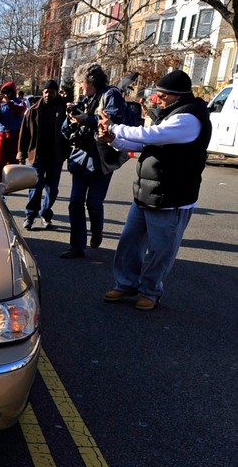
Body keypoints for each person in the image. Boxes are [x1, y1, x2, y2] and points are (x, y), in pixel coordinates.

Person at [98, 70, 211, 310]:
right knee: (129, 243)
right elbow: (144, 144)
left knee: (160, 250)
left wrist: (116, 127)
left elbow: (151, 135)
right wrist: (112, 139)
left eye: (161, 95)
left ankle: (150, 291)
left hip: (172, 197)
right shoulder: (172, 114)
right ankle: (125, 284)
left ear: (176, 96)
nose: (156, 100)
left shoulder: (189, 118)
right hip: (146, 193)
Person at [60, 63, 129, 259]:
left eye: (82, 83)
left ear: (91, 81)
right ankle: (77, 247)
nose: (80, 87)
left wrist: (86, 119)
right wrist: (70, 118)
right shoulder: (84, 99)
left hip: (102, 159)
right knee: (75, 203)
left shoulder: (111, 95)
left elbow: (112, 121)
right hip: (80, 158)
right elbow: (66, 132)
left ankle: (97, 231)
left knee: (94, 203)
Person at [17, 80, 70, 230]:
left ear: (56, 93)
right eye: (46, 92)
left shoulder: (63, 109)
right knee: (36, 185)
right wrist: (21, 153)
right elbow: (24, 132)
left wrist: (67, 152)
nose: (48, 95)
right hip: (37, 155)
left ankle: (46, 214)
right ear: (43, 93)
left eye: (51, 92)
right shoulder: (33, 110)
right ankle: (30, 215)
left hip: (56, 156)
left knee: (52, 189)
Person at [0, 81, 27, 182]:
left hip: (15, 136)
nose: (6, 95)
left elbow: (21, 109)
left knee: (13, 162)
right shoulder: (0, 104)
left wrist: (9, 102)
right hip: (2, 135)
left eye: (9, 92)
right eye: (5, 93)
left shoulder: (19, 102)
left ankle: (11, 182)